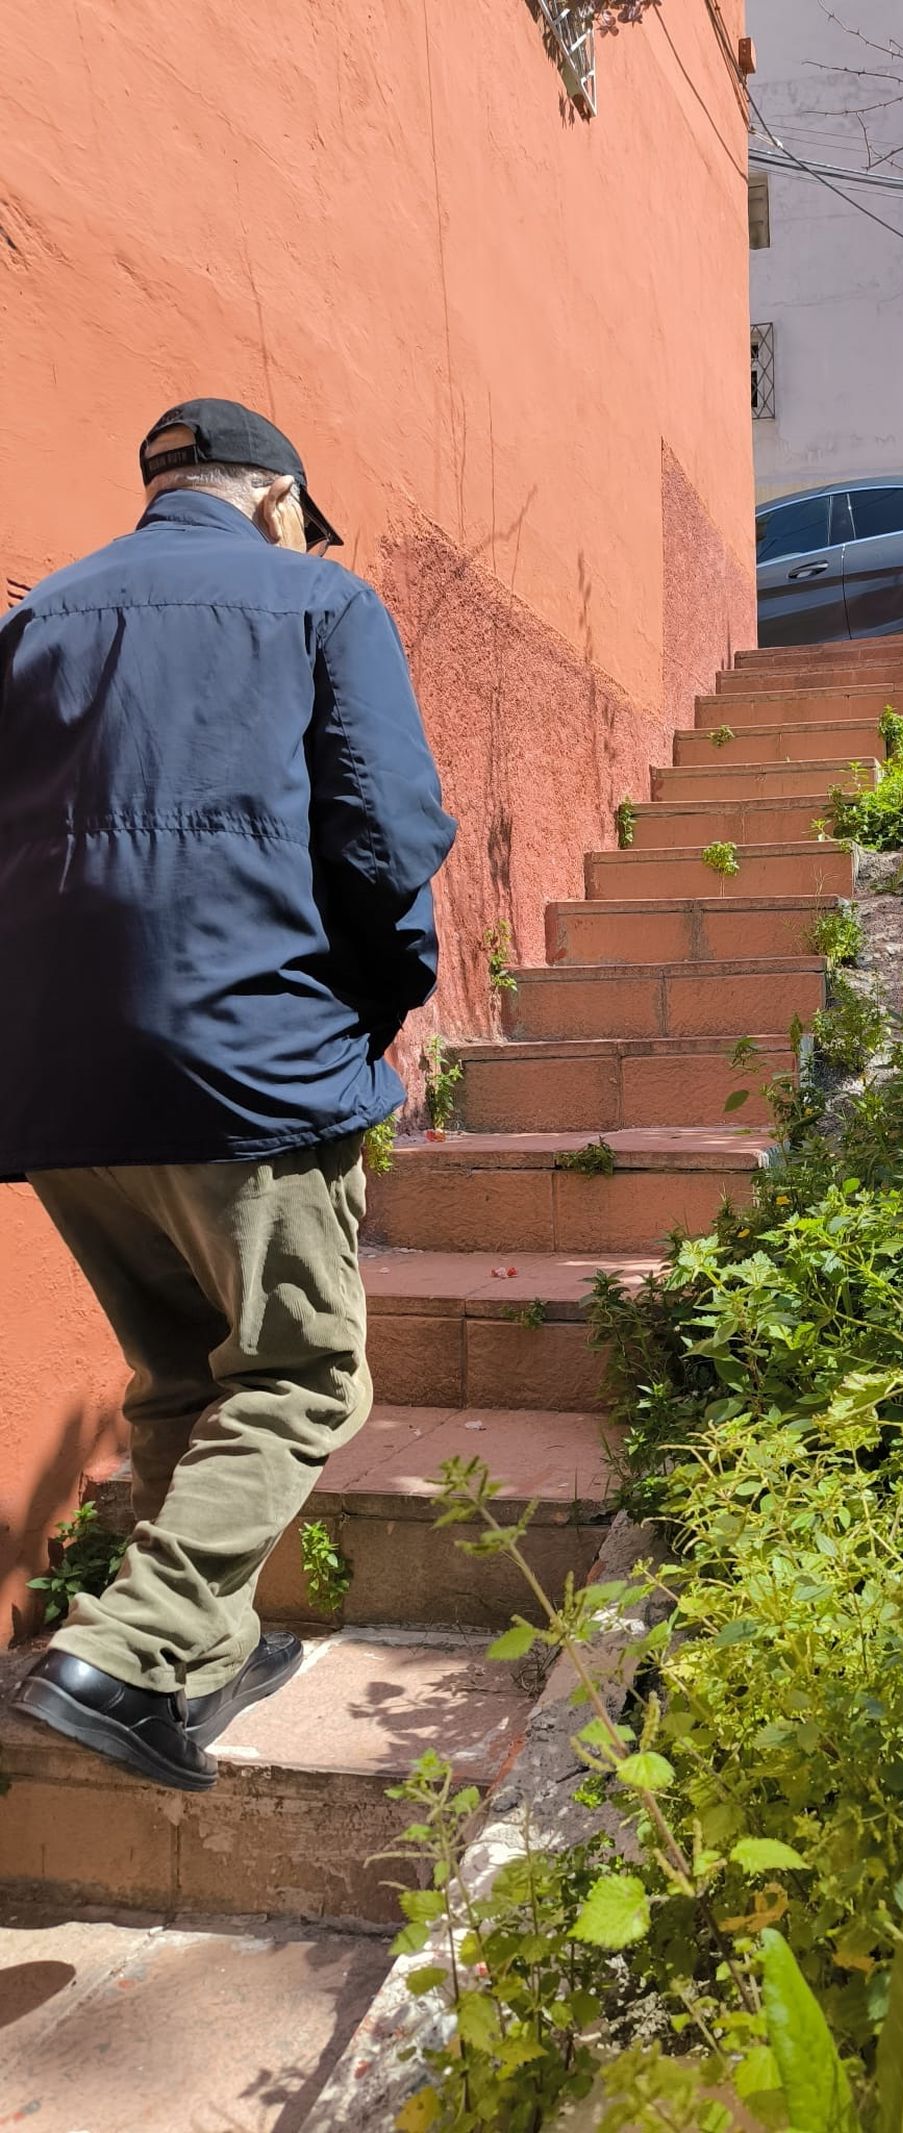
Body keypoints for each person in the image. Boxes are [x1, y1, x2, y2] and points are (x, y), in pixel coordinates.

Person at [1, 398, 457, 1791]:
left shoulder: (34, 624)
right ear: (275, 500)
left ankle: (206, 1647)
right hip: (243, 1056)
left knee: (184, 1371)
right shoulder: (319, 600)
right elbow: (386, 837)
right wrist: (373, 1013)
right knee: (309, 1368)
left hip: (55, 1080)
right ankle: (127, 1648)